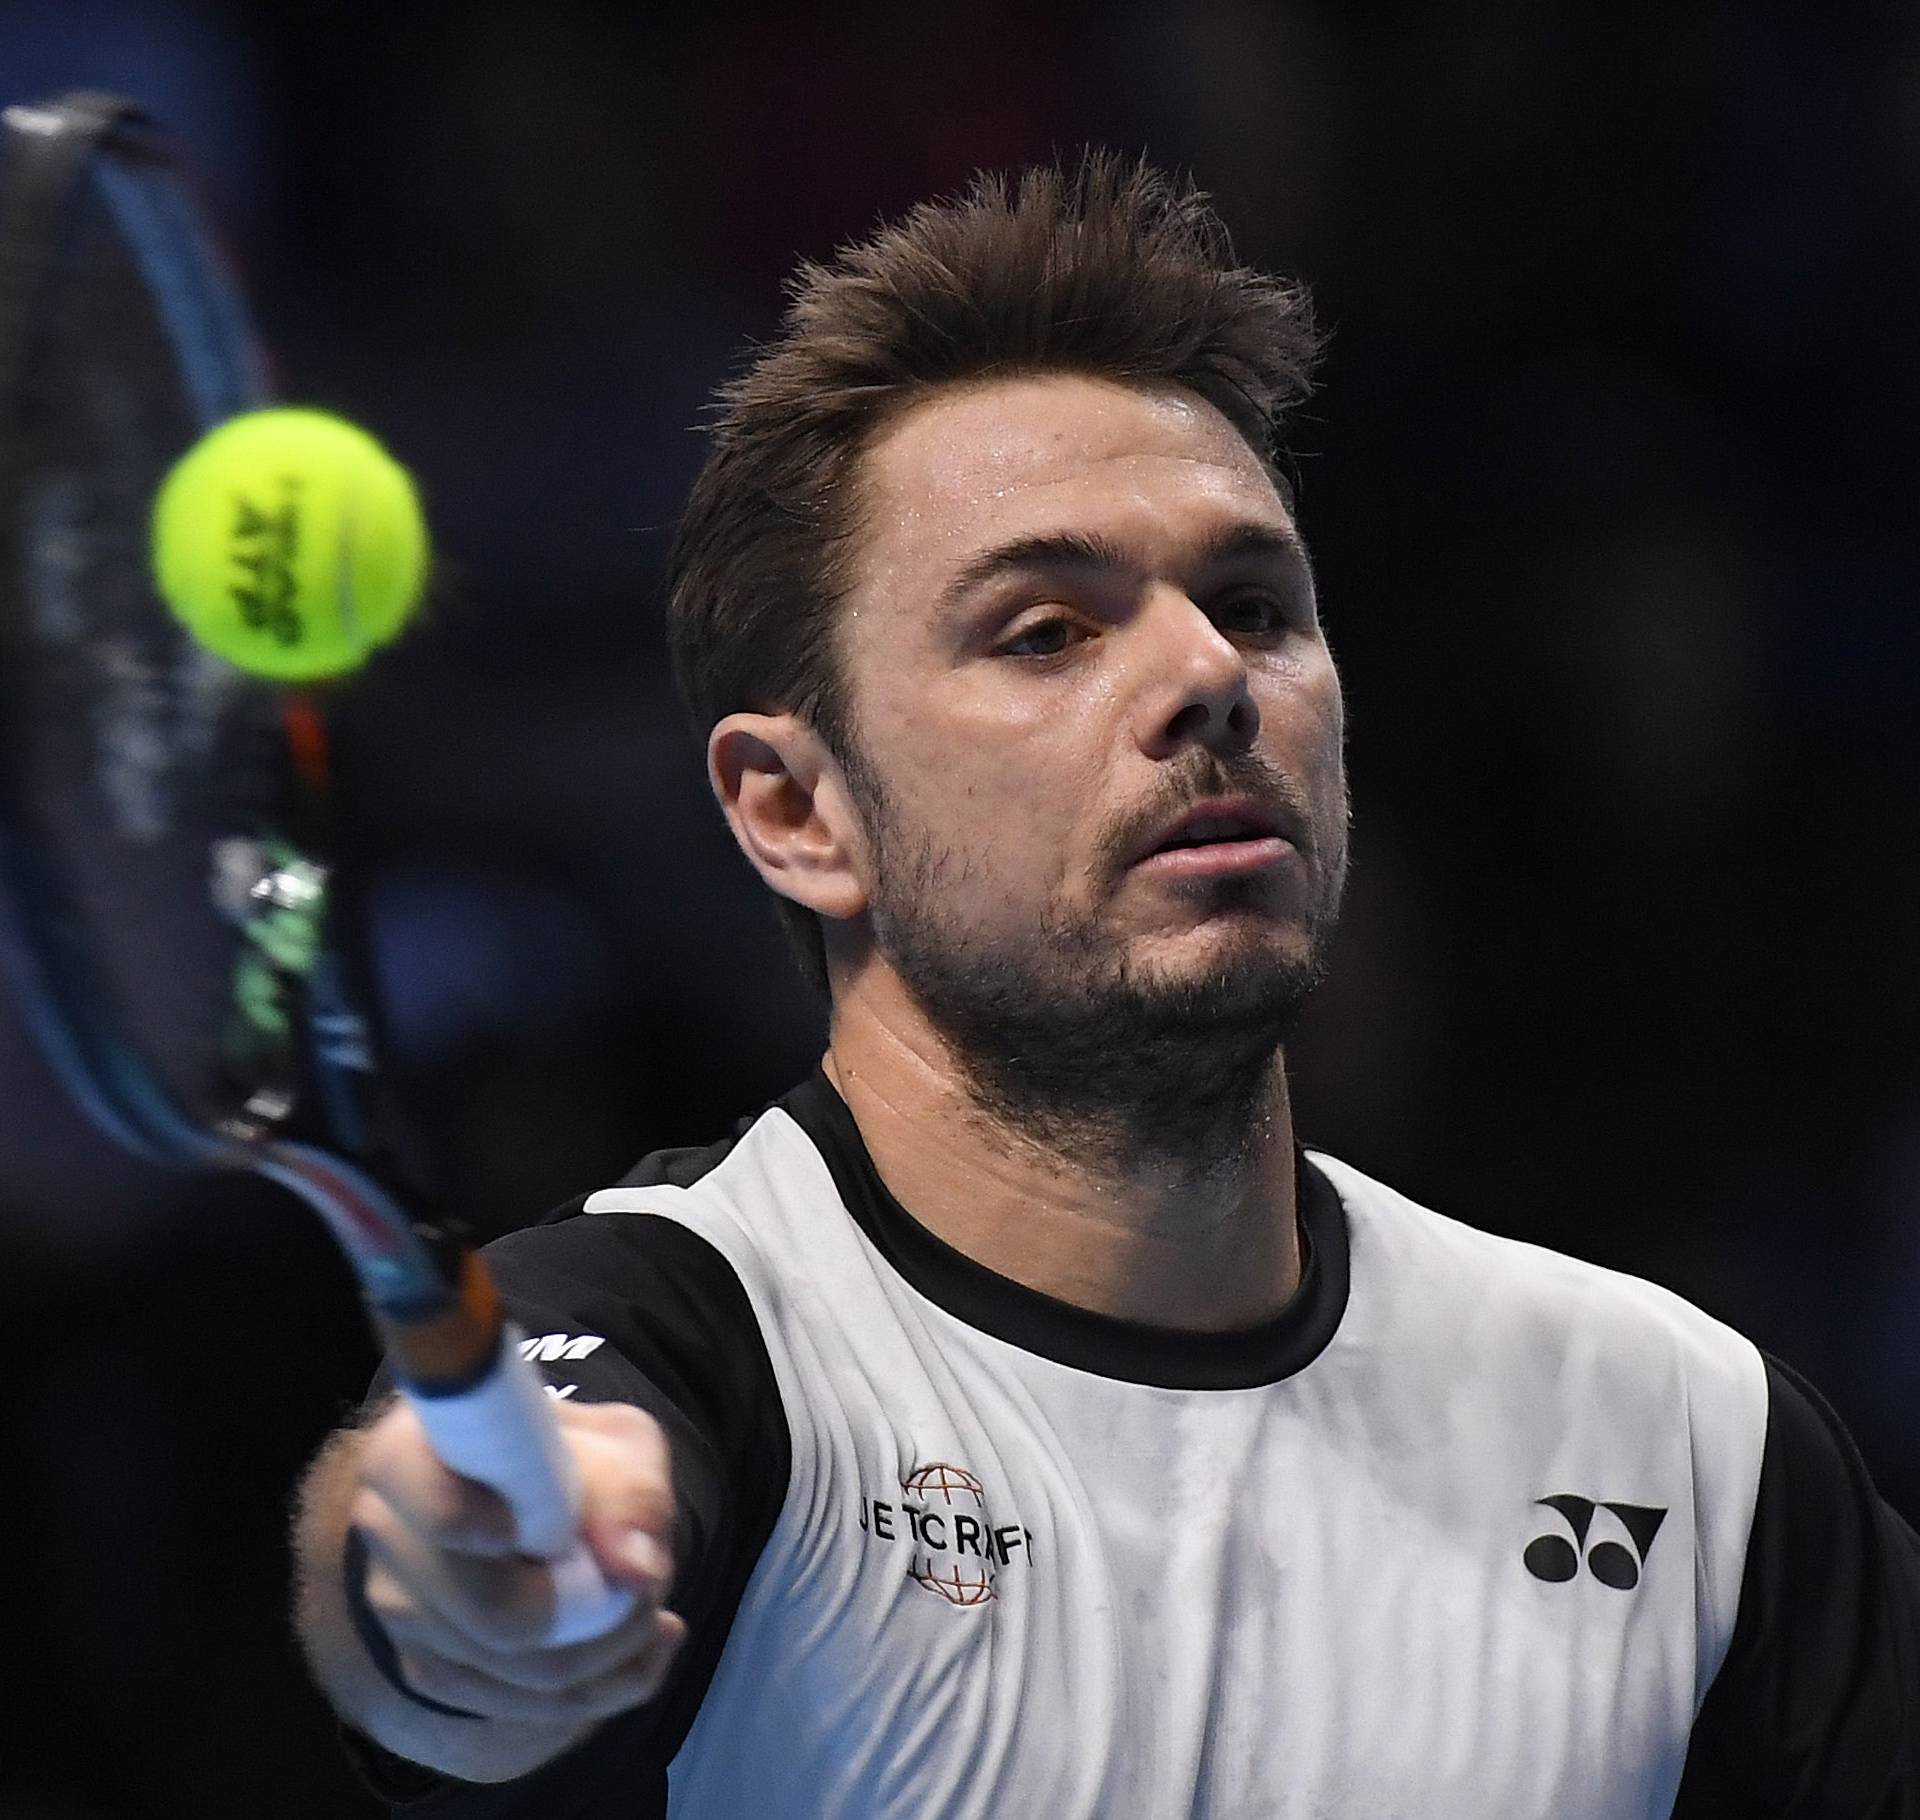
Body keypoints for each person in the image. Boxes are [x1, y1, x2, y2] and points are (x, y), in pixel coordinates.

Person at [291, 155, 1920, 1818]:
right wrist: (463, 1578)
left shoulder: (1680, 1432)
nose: (1210, 677)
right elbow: (454, 1560)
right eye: (1047, 630)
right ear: (799, 813)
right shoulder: (689, 1339)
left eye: (1253, 604)